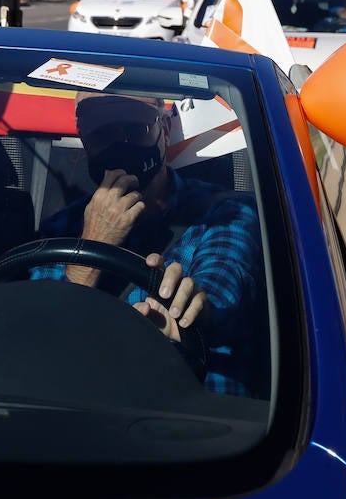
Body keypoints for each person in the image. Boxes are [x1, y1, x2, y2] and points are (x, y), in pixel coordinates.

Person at [32, 92, 265, 397]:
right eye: (101, 132)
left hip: (198, 416)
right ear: (85, 141)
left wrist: (195, 310)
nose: (119, 145)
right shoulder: (60, 228)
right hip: (86, 410)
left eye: (134, 128)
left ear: (164, 131)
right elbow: (40, 332)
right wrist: (94, 242)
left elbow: (224, 282)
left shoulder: (226, 212)